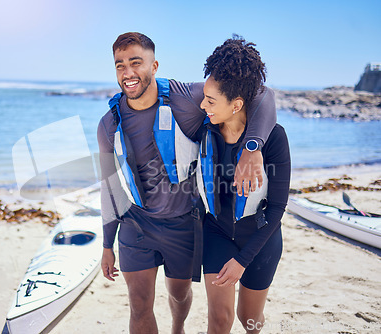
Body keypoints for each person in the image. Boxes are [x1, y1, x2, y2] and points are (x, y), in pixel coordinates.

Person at [97, 32, 277, 334]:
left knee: (179, 295)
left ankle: (178, 328)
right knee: (139, 303)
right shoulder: (108, 123)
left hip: (183, 221)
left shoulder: (186, 98)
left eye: (136, 63)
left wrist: (253, 148)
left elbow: (263, 94)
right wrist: (106, 243)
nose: (127, 73)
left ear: (154, 67)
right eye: (120, 65)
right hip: (135, 223)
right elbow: (110, 186)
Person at [197, 35, 291, 334]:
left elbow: (277, 207)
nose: (203, 105)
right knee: (220, 320)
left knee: (249, 319)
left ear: (236, 104)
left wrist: (242, 260)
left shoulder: (274, 138)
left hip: (260, 240)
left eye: (211, 101)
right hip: (217, 232)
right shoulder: (205, 130)